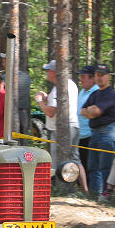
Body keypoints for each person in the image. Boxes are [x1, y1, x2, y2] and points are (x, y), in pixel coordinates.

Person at [34, 59, 87, 191]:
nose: (47, 73)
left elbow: (51, 112)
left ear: (53, 72)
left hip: (62, 129)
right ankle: (85, 190)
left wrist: (40, 102)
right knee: (75, 159)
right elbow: (58, 104)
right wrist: (48, 98)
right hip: (73, 126)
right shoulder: (70, 84)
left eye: (48, 70)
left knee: (60, 161)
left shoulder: (59, 87)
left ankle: (64, 189)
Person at [80, 64, 115, 199]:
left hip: (107, 132)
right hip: (95, 132)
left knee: (105, 166)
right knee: (92, 166)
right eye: (97, 75)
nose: (99, 78)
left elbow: (95, 112)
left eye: (102, 75)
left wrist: (91, 111)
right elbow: (82, 111)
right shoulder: (95, 93)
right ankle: (94, 195)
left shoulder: (110, 94)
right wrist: (91, 111)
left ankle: (106, 195)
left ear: (108, 77)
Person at [0, 52, 32, 135]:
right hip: (23, 114)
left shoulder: (4, 77)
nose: (3, 61)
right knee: (22, 139)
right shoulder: (26, 77)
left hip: (9, 115)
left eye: (5, 60)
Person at [77, 65, 99, 173]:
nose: (81, 80)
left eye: (83, 77)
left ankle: (93, 189)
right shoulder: (83, 91)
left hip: (91, 135)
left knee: (91, 167)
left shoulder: (97, 92)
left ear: (93, 78)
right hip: (80, 135)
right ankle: (83, 188)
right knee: (81, 164)